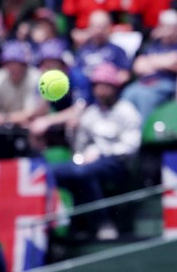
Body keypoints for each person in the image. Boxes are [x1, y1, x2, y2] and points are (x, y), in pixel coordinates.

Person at [52, 62, 142, 241]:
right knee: (53, 173)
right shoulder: (91, 113)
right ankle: (66, 225)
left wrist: (101, 153)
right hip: (87, 162)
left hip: (118, 164)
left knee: (85, 172)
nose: (101, 92)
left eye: (105, 87)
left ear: (114, 88)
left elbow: (130, 147)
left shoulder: (127, 111)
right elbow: (79, 147)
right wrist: (73, 130)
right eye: (97, 87)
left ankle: (103, 223)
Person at [122, 10, 177, 121]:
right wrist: (161, 62)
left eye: (173, 27)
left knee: (144, 97)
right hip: (143, 83)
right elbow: (138, 66)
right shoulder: (152, 45)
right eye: (166, 26)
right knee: (128, 94)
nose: (169, 30)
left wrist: (150, 62)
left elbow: (174, 62)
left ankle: (143, 135)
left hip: (165, 84)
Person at [0, 41, 43, 128]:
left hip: (27, 123)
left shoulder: (36, 78)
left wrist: (5, 118)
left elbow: (31, 113)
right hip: (0, 125)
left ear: (25, 64)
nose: (14, 67)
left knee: (33, 125)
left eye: (18, 63)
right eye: (9, 63)